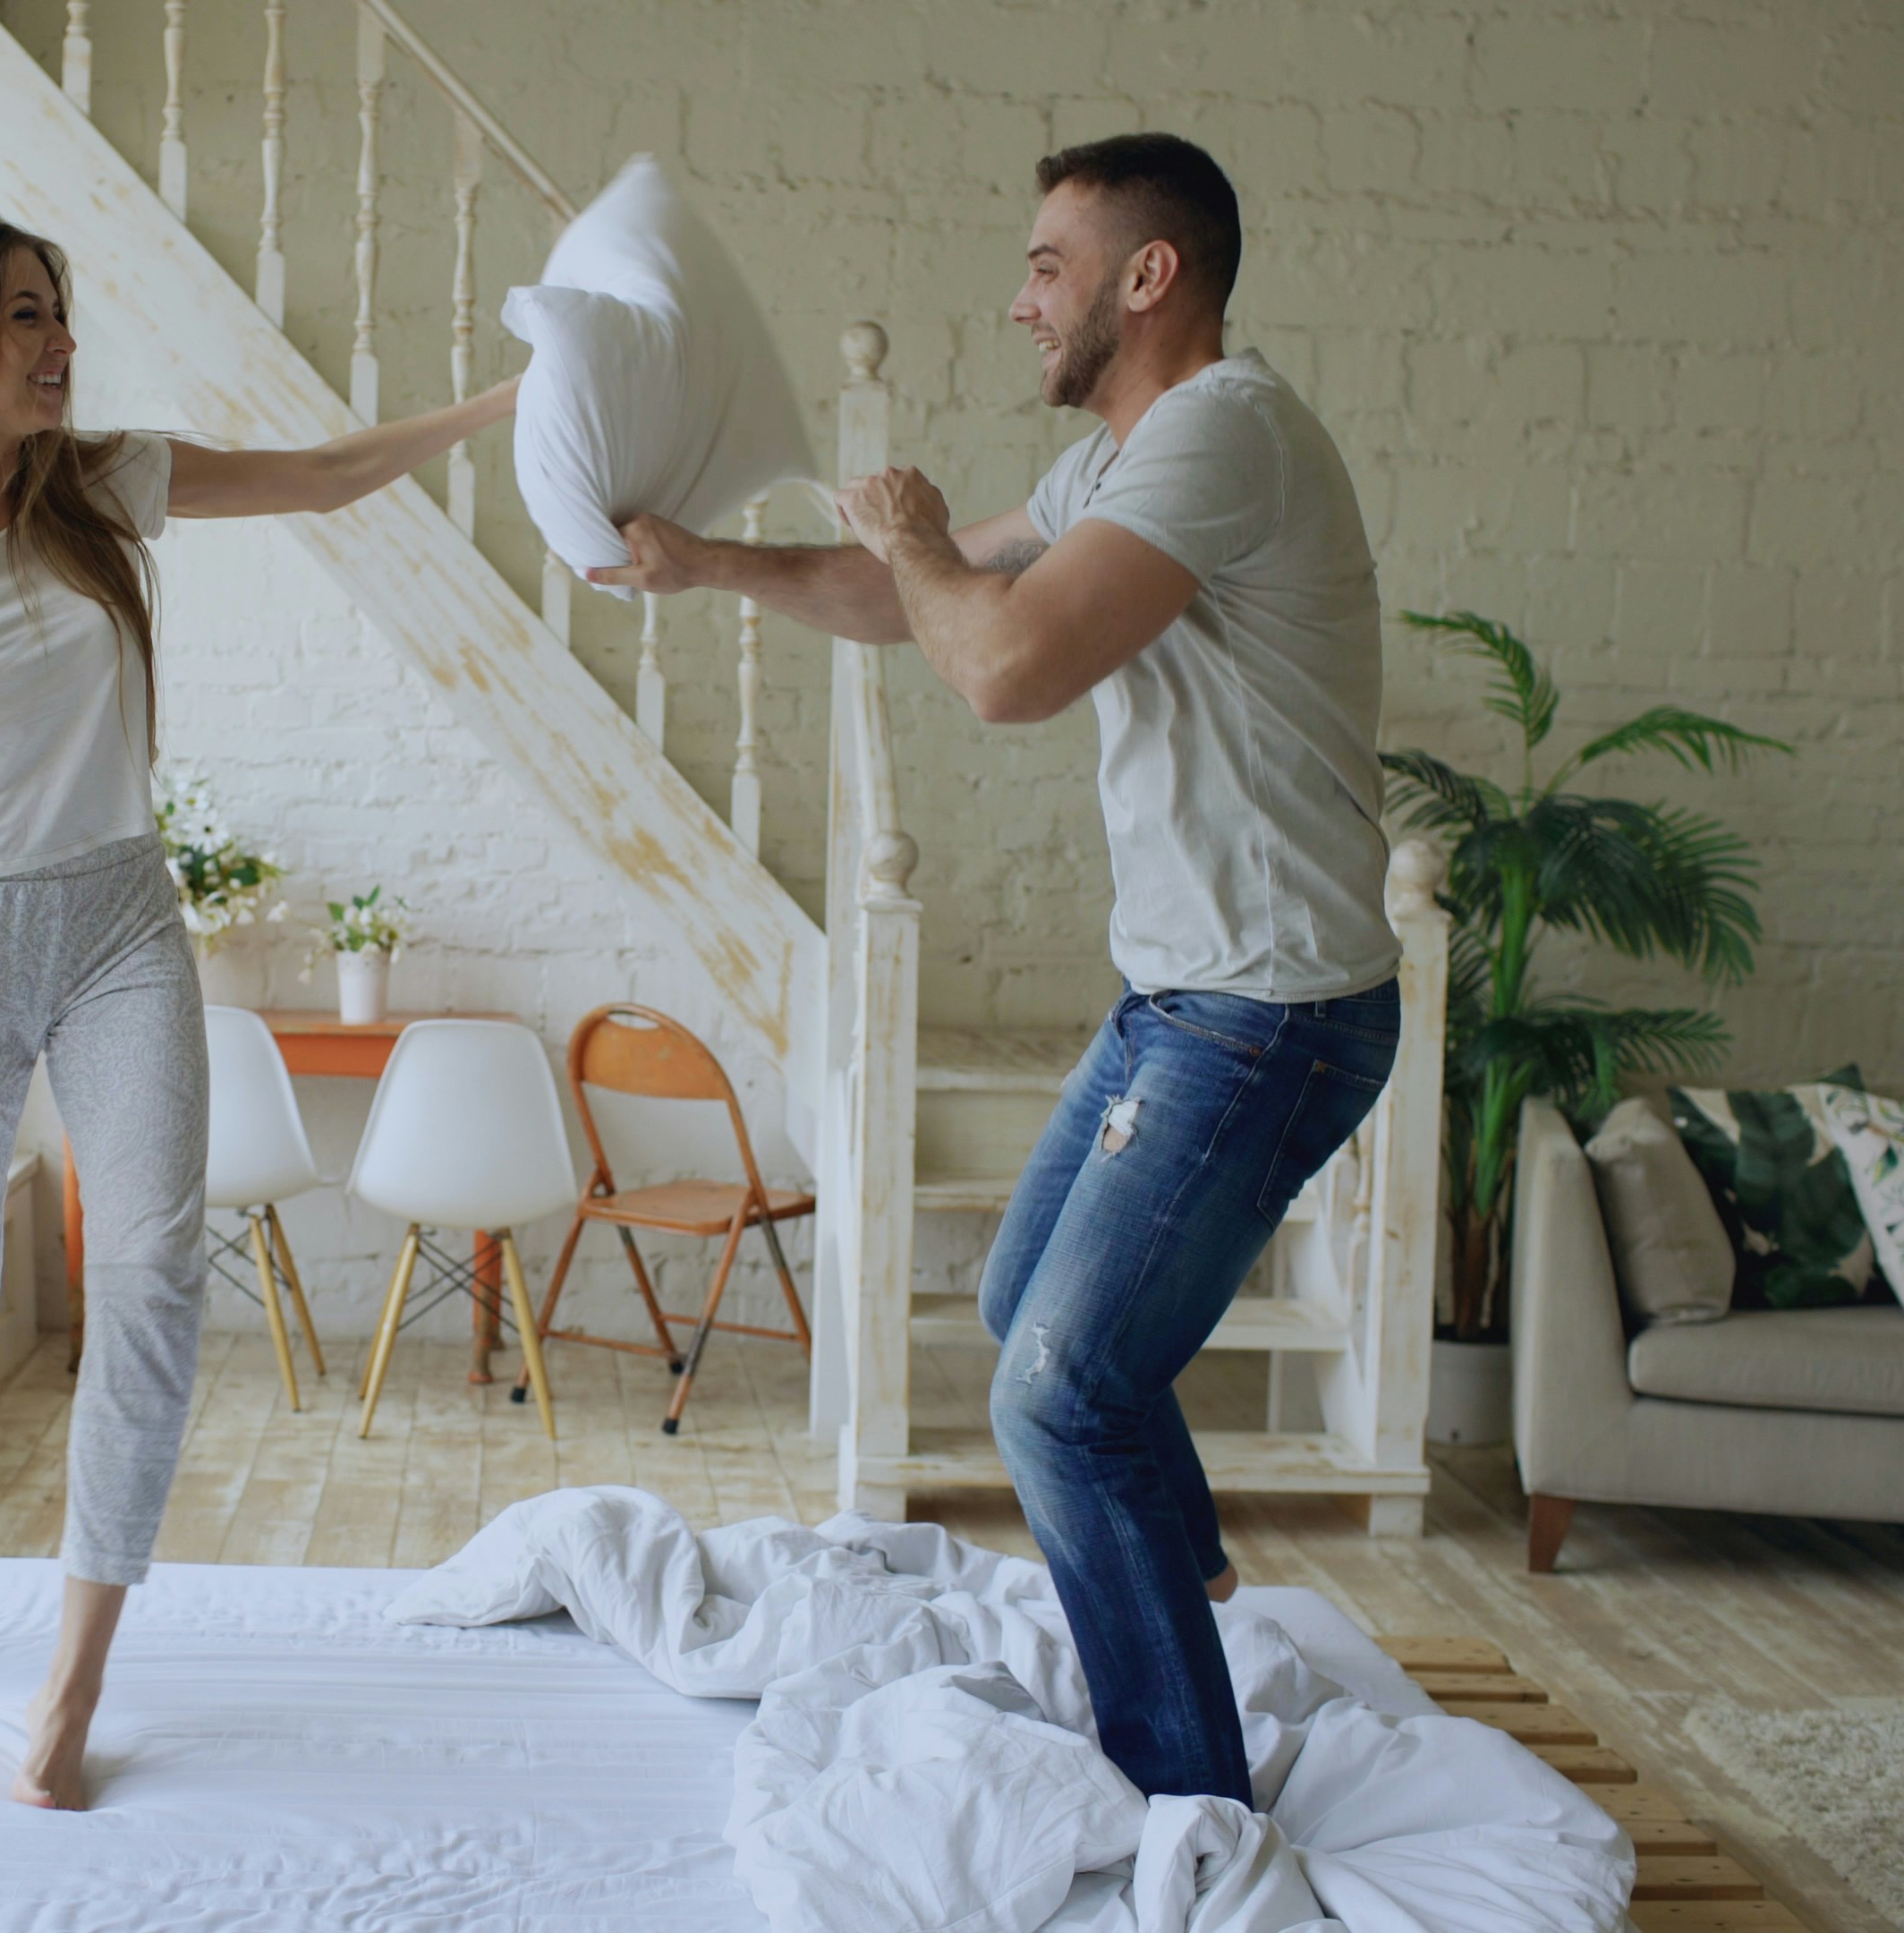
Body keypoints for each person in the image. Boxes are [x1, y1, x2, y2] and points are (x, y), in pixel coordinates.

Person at [589, 133, 1398, 1806]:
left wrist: (912, 536)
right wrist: (707, 564)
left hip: (1272, 1015)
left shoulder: (1223, 437)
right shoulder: (1130, 461)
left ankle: (1187, 1801)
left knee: (1058, 1393)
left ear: (1146, 276)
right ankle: (1201, 1595)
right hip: (1188, 999)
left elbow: (1003, 662)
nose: (1020, 297)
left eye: (1048, 264)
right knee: (1029, 1314)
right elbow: (913, 601)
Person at [0, 209, 515, 1810]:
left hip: (117, 919)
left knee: (148, 1272)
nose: (59, 341)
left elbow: (323, 475)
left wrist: (506, 406)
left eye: (59, 312)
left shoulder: (100, 487)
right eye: (25, 315)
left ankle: (75, 1679)